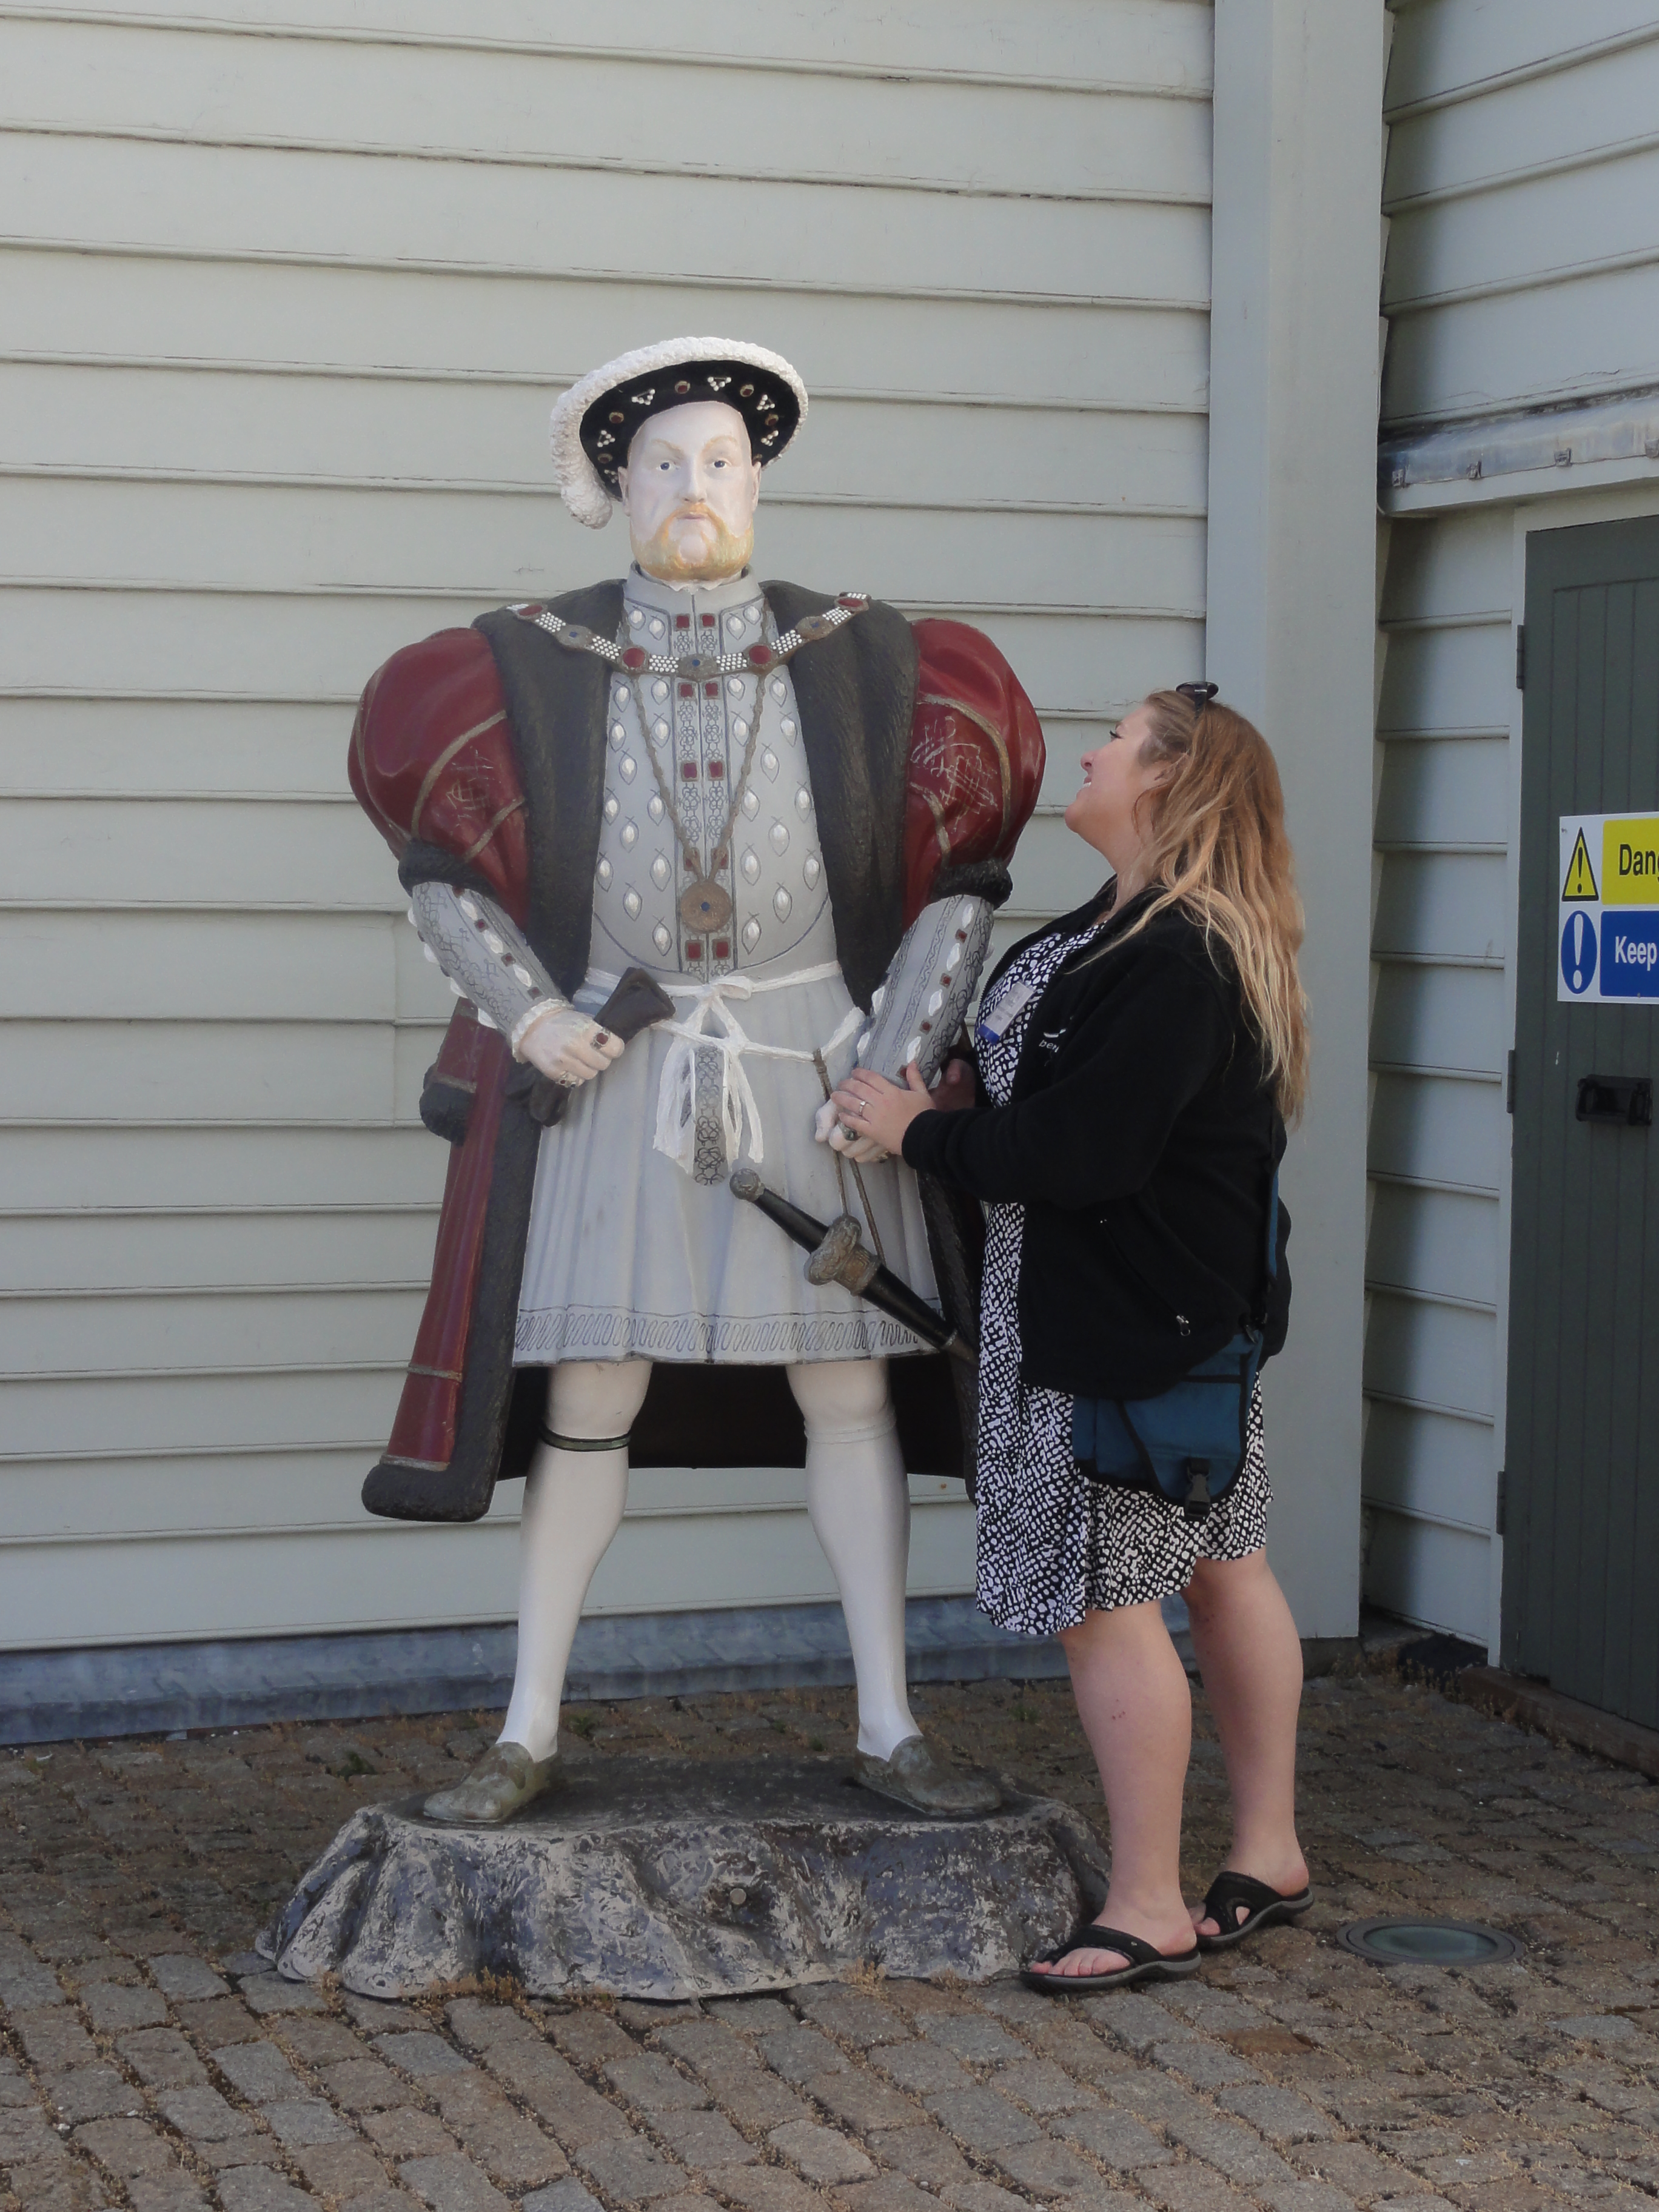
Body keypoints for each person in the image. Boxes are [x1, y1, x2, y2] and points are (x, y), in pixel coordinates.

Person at [347, 337, 1044, 1823]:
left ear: (760, 474)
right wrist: (533, 1021)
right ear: (616, 482)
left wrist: (899, 1050)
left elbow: (956, 885)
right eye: (662, 462)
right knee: (586, 1394)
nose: (693, 487)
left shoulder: (879, 660)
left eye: (720, 460)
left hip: (814, 1066)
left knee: (847, 1384)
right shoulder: (518, 663)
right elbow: (442, 875)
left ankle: (889, 1720)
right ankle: (526, 1727)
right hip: (620, 1068)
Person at [832, 683, 1311, 1989]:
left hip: (1119, 1329)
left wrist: (917, 1131)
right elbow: (1060, 1081)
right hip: (1166, 1311)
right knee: (1224, 1567)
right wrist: (978, 1087)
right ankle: (1267, 1850)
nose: (1089, 749)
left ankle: (1150, 1901)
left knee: (1113, 1605)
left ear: (1165, 779)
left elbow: (1087, 1152)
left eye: (1119, 737)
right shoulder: (1119, 925)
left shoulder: (1178, 953)